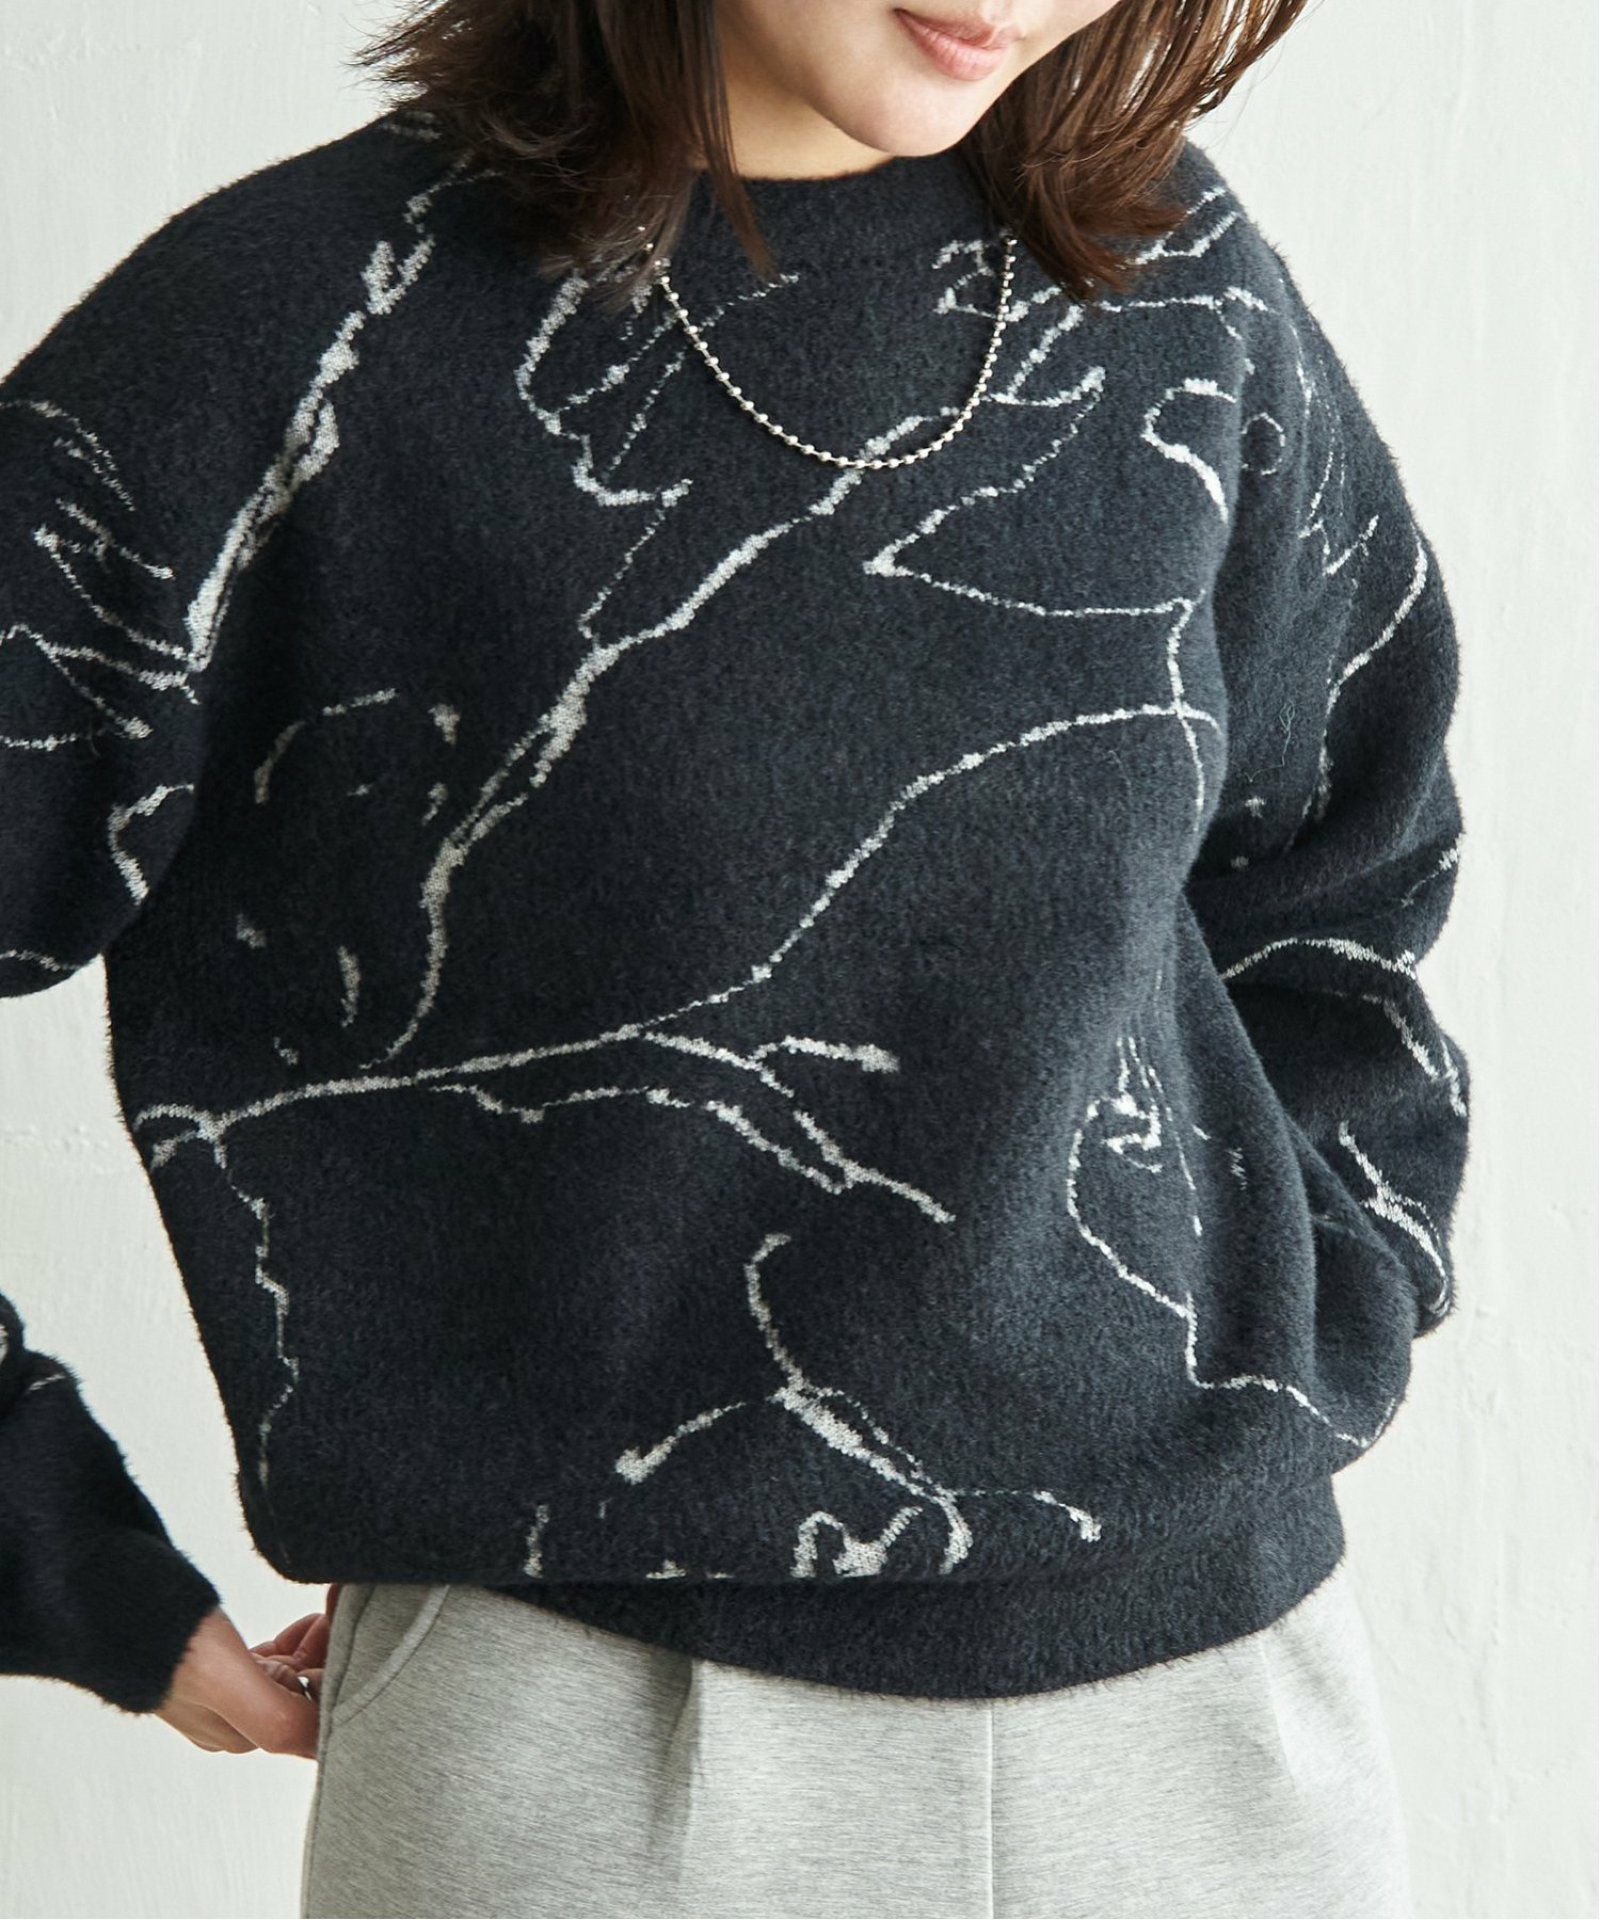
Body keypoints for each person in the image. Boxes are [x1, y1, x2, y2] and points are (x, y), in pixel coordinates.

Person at [0, 0, 1471, 1914]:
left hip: (1218, 1735)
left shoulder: (1173, 286)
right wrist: (63, 1559)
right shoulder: (297, 326)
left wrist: (1315, 1325)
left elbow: (1346, 868)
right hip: (592, 1755)